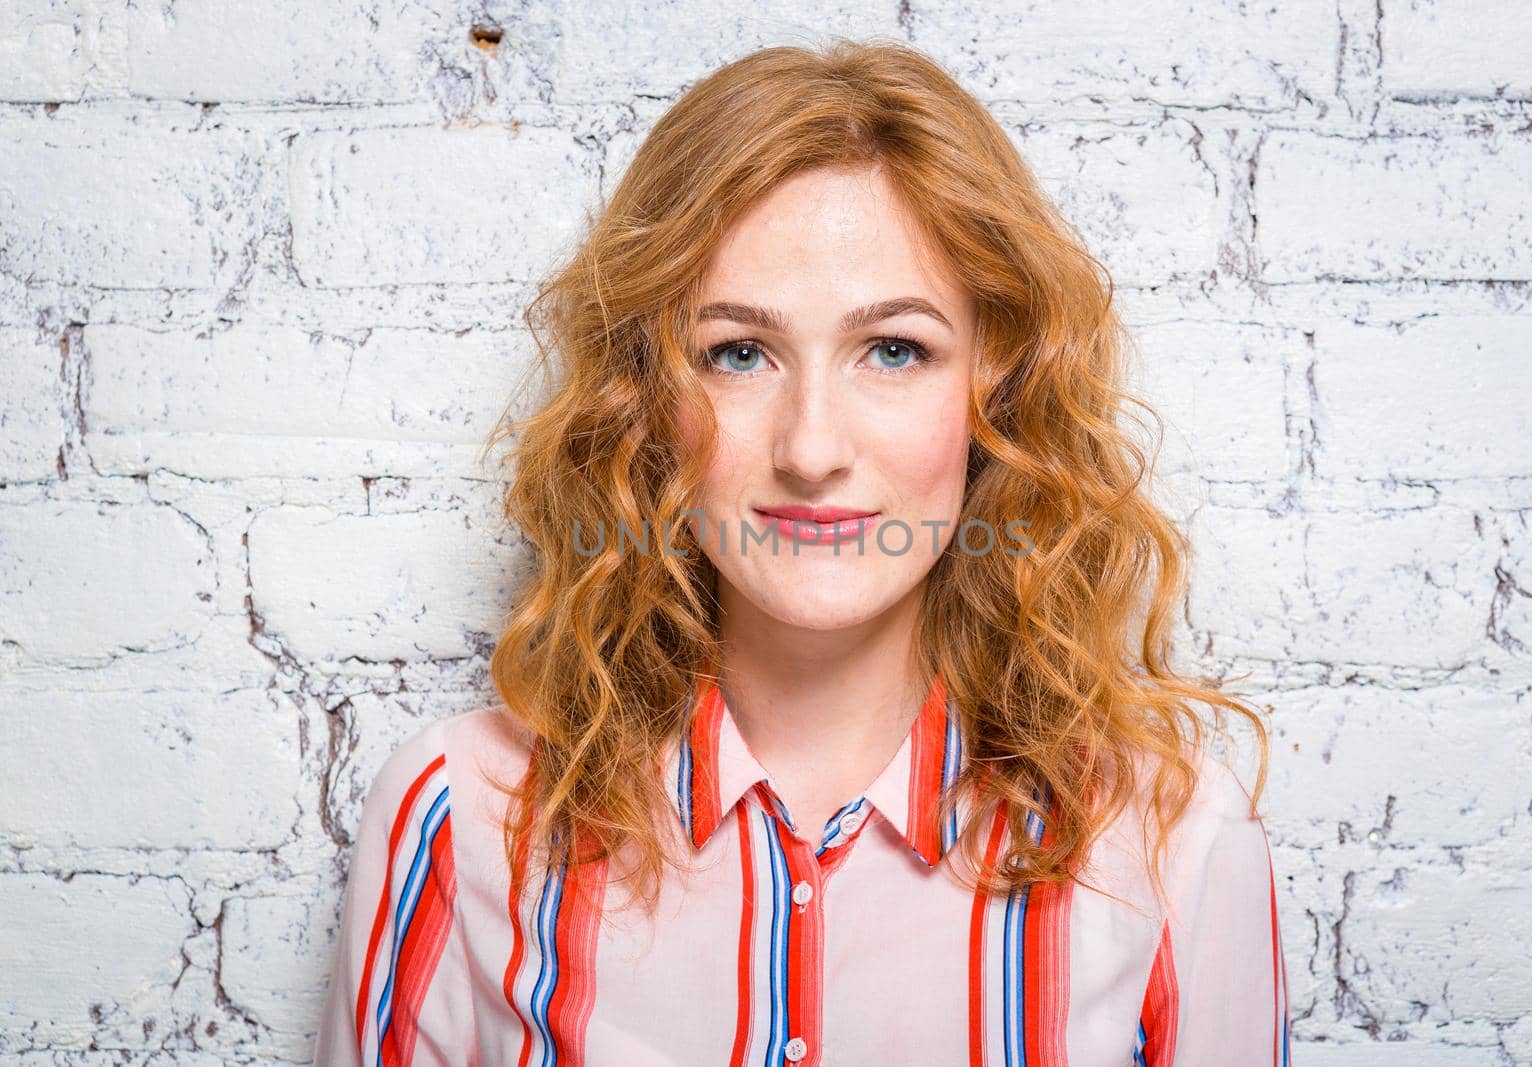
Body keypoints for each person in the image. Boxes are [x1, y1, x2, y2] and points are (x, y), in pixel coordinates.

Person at [313, 37, 1292, 1067]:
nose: (811, 449)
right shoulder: (461, 814)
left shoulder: (1175, 842)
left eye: (894, 350)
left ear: (992, 394)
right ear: (644, 399)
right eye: (738, 352)